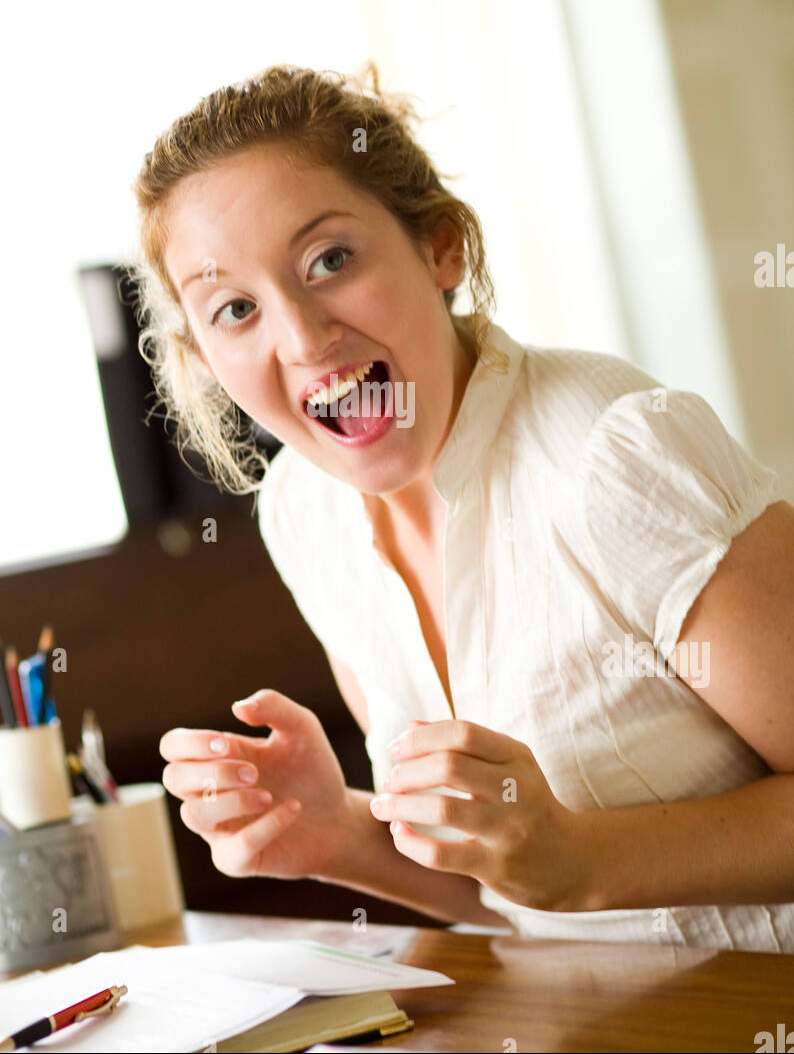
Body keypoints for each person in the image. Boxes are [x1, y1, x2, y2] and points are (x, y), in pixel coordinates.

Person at [132, 63, 794, 952]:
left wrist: (584, 857)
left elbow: (567, 873)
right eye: (236, 308)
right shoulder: (304, 511)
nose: (302, 336)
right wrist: (340, 838)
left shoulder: (613, 451)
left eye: (330, 259)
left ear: (440, 247)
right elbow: (513, 901)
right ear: (206, 360)